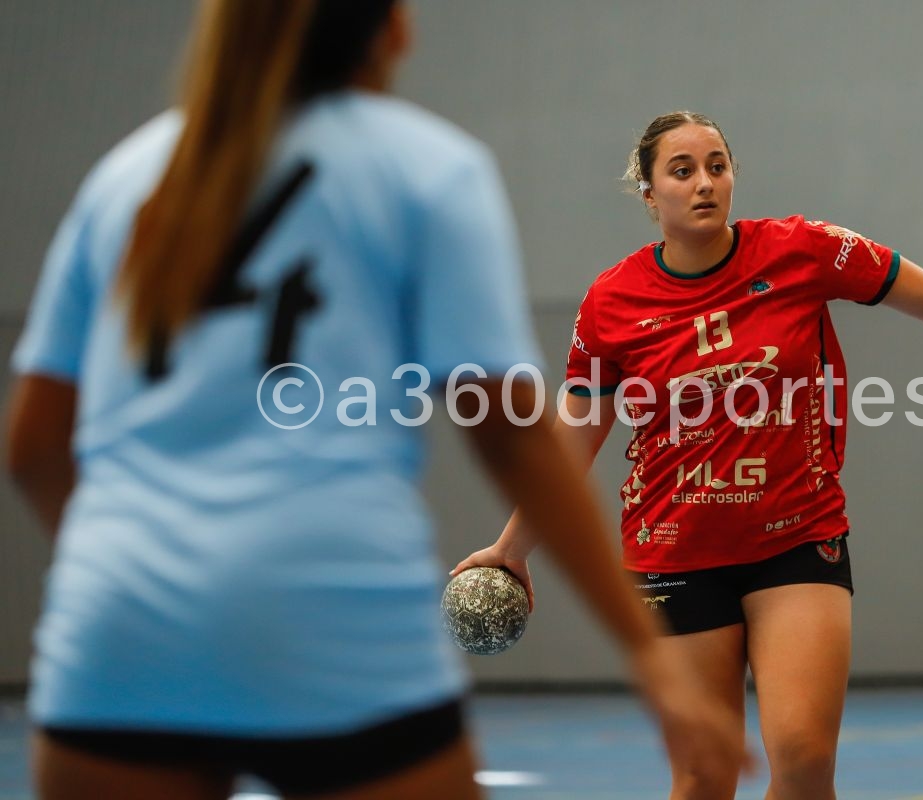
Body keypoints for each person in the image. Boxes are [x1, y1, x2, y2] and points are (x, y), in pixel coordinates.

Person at [4, 10, 749, 799]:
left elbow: (33, 448)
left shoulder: (129, 175)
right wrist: (647, 656)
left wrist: (142, 571)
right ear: (392, 30)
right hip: (332, 614)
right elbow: (512, 438)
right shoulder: (425, 169)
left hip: (120, 628)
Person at [453, 110, 923, 800]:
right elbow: (578, 432)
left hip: (796, 537)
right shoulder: (612, 302)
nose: (704, 183)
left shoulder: (803, 250)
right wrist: (512, 548)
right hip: (675, 550)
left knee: (804, 760)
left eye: (718, 166)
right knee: (703, 776)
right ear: (649, 195)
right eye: (682, 170)